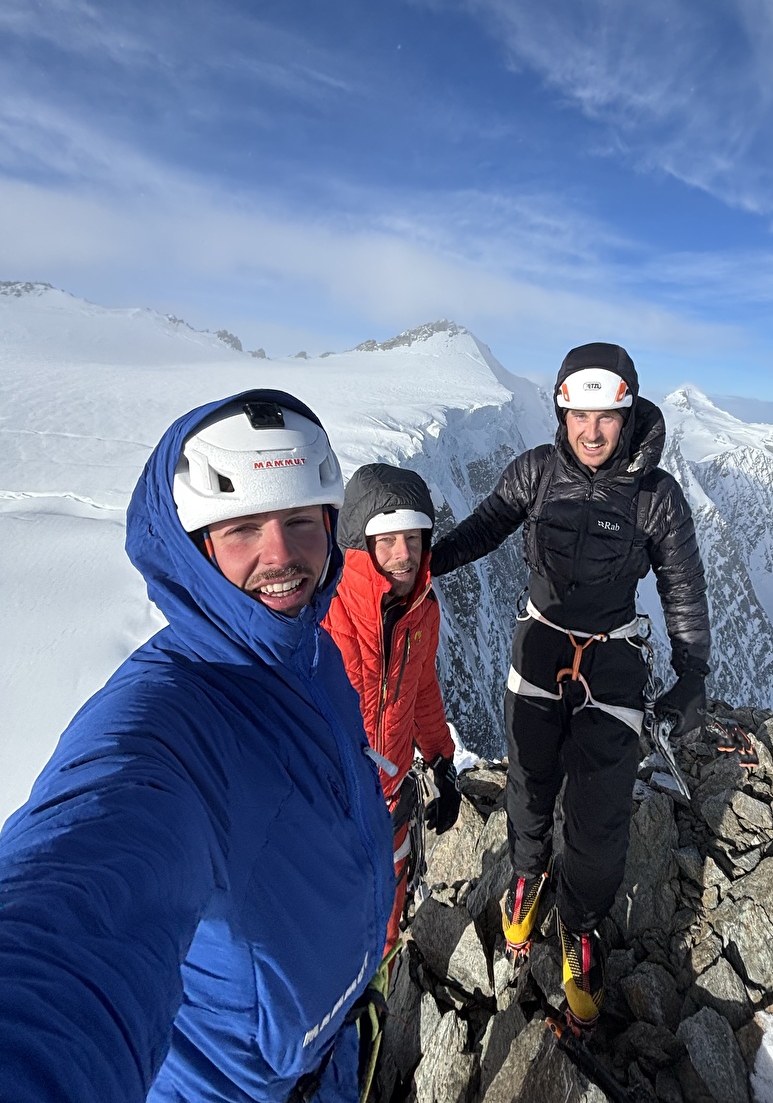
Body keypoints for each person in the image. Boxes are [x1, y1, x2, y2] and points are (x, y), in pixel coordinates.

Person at [0, 390, 394, 1103]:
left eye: (301, 522)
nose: (281, 556)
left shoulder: (309, 653)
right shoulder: (164, 720)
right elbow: (82, 893)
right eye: (241, 527)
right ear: (193, 547)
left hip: (330, 1059)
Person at [431, 343, 711, 1026]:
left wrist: (692, 671)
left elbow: (681, 584)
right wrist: (418, 567)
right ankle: (527, 878)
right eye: (577, 413)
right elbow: (485, 528)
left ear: (628, 412)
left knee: (599, 810)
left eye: (605, 415)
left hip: (611, 661)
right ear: (560, 409)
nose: (590, 430)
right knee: (528, 784)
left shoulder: (656, 496)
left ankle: (580, 925)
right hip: (539, 649)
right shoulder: (534, 472)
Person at [325, 464, 461, 953]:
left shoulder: (422, 610)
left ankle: (377, 995)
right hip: (330, 805)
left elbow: (422, 688)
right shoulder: (324, 615)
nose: (403, 555)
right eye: (387, 540)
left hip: (392, 797)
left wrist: (443, 761)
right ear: (362, 549)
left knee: (387, 900)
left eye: (413, 538)